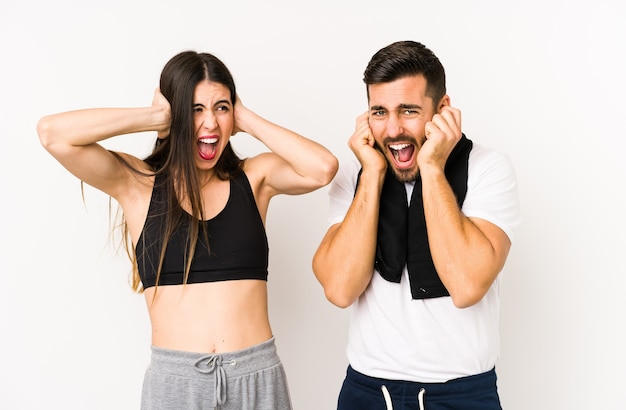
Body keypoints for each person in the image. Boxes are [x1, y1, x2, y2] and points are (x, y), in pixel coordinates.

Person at [37, 50, 338, 410]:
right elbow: (53, 133)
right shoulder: (138, 184)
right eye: (195, 109)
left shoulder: (254, 179)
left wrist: (245, 117)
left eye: (220, 107)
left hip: (255, 376)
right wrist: (155, 117)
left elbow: (322, 168)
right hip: (176, 384)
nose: (210, 123)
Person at [312, 40, 521, 410]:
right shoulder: (357, 173)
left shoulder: (488, 168)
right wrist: (373, 174)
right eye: (379, 111)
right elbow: (341, 289)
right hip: (368, 392)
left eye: (408, 111)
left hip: (460, 394)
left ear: (443, 110)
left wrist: (432, 167)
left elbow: (467, 284)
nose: (392, 129)